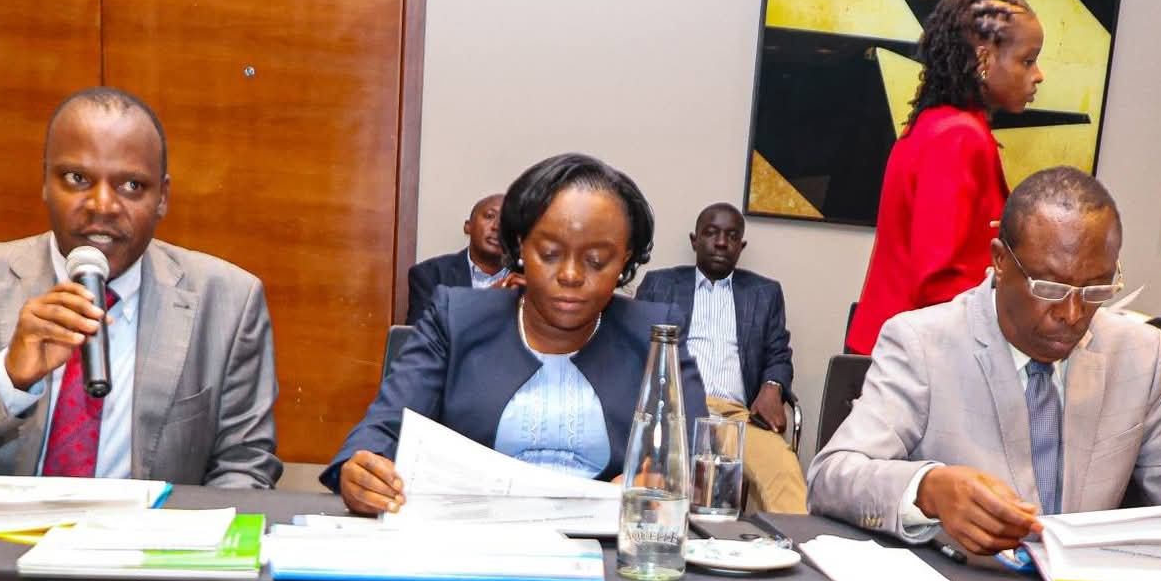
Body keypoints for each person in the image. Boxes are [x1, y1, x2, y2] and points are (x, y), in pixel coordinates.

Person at [809, 167, 1161, 554]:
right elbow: (833, 475)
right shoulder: (923, 342)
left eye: (1096, 289)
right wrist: (928, 489)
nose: (1073, 314)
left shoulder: (1139, 352)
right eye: (1050, 287)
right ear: (1000, 261)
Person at [0, 87, 280, 488]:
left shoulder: (228, 302)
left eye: (132, 185)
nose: (102, 205)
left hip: (144, 538)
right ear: (45, 182)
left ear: (163, 197)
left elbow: (245, 469)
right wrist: (6, 379)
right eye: (77, 178)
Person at [327, 153, 705, 512]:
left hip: (609, 546)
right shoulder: (456, 319)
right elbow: (383, 432)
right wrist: (361, 474)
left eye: (596, 260)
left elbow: (692, 456)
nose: (570, 275)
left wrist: (661, 480)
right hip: (471, 538)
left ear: (625, 259)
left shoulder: (655, 334)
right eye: (551, 254)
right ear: (521, 245)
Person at [843, 0, 1043, 355]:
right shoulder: (958, 136)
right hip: (916, 357)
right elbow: (940, 279)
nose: (1039, 74)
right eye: (1027, 61)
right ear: (983, 60)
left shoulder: (937, 123)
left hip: (900, 346)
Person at [634, 204, 807, 513]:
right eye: (711, 233)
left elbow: (779, 353)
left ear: (741, 245)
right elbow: (637, 347)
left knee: (782, 467)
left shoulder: (764, 292)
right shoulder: (660, 285)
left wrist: (773, 385)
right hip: (677, 413)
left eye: (731, 236)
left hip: (737, 418)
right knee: (661, 477)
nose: (722, 242)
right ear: (695, 240)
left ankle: (797, 541)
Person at [405, 193, 521, 325]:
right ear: (468, 226)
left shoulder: (527, 279)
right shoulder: (431, 275)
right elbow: (420, 333)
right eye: (490, 216)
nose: (497, 227)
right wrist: (484, 301)